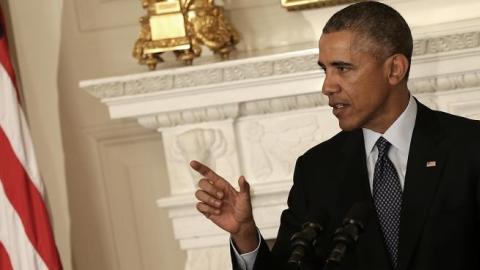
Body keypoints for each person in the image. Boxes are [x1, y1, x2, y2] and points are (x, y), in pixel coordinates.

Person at [190, 1, 480, 270]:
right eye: (325, 70)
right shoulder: (317, 170)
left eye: (343, 68)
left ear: (394, 69)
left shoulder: (470, 148)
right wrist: (245, 235)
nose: (328, 86)